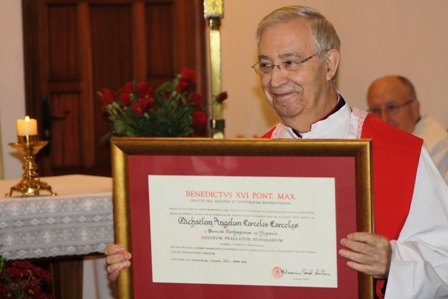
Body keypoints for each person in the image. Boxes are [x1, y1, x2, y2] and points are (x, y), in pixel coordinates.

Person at [105, 5, 448, 298]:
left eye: (290, 62)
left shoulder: (401, 154)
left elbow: (443, 261)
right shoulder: (254, 159)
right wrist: (141, 263)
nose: (275, 79)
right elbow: (219, 260)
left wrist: (392, 261)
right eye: (266, 65)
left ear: (330, 64)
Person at [367, 75, 448, 183]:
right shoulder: (372, 144)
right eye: (376, 110)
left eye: (392, 107)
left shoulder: (435, 147)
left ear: (415, 108)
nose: (384, 119)